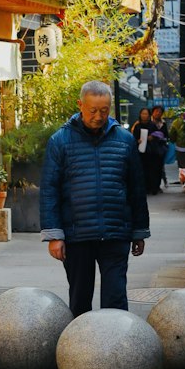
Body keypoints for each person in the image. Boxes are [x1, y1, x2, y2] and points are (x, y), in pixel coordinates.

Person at [40, 80, 150, 318]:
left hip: (116, 231)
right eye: (93, 110)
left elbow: (136, 189)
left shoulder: (124, 139)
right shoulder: (60, 141)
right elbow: (50, 190)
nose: (99, 116)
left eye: (104, 110)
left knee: (116, 297)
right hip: (77, 234)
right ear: (80, 105)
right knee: (79, 299)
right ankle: (79, 351)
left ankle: (118, 347)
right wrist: (54, 235)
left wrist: (139, 231)